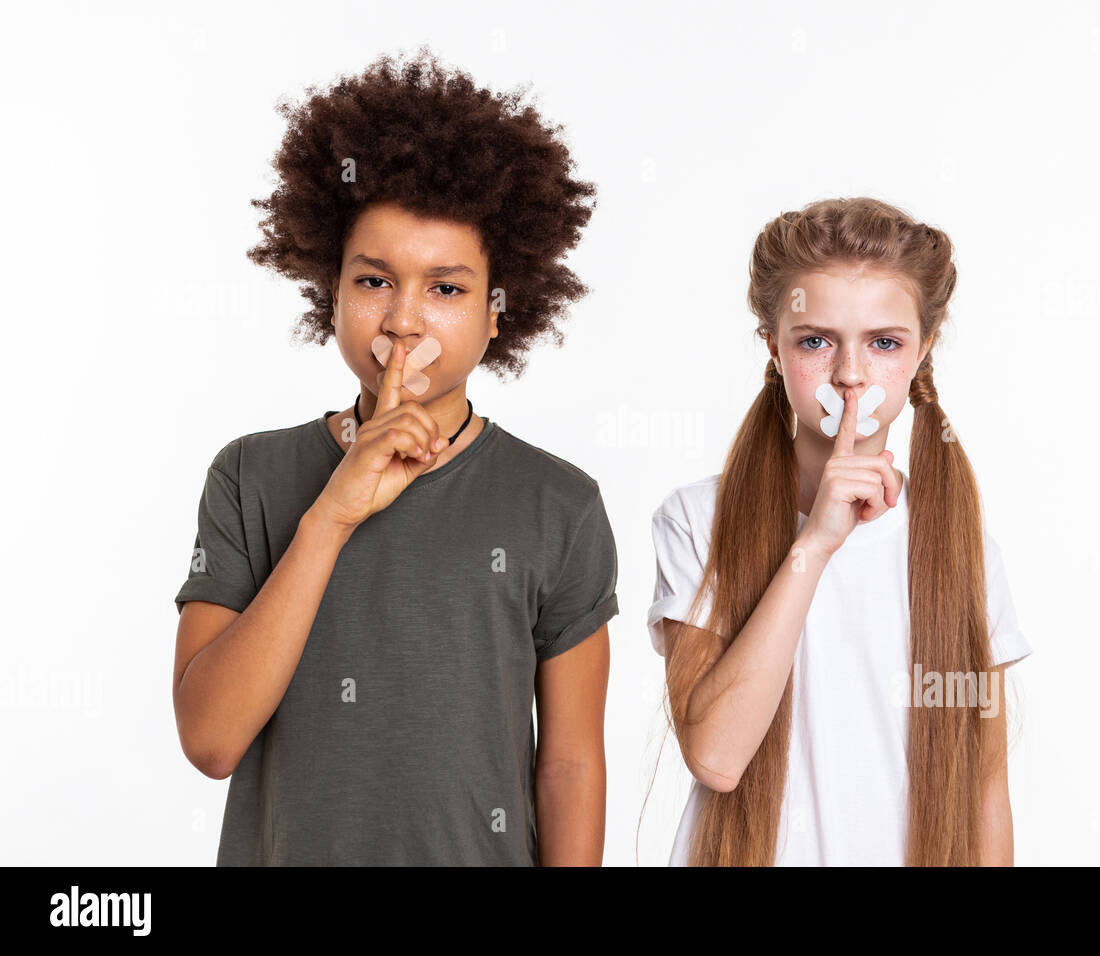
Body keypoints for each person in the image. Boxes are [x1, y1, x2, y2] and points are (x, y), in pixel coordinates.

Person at [173, 48, 617, 866]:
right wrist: (332, 513)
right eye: (375, 281)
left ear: (496, 314)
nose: (405, 320)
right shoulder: (249, 477)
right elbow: (211, 740)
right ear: (331, 292)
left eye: (445, 289)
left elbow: (571, 764)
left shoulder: (560, 504)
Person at [646, 197, 1031, 866]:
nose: (851, 374)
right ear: (773, 344)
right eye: (815, 341)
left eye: (884, 343)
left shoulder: (963, 551)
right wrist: (815, 544)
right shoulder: (697, 520)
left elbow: (985, 789)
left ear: (923, 349)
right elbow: (715, 757)